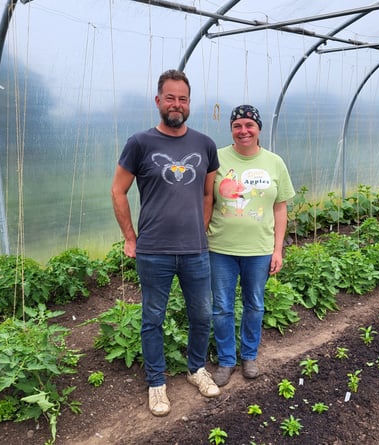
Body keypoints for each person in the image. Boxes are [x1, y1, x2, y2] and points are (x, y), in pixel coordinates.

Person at [111, 69, 221, 417]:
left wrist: (199, 230)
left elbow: (208, 194)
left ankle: (195, 369)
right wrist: (130, 237)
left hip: (195, 251)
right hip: (153, 250)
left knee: (202, 314)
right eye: (170, 97)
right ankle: (156, 384)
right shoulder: (140, 143)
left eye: (183, 98)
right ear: (158, 101)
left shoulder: (204, 144)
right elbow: (118, 190)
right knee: (152, 318)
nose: (177, 104)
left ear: (190, 103)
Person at [207, 104, 295, 386]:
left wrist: (277, 248)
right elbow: (206, 200)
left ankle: (249, 355)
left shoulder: (274, 162)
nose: (243, 131)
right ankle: (226, 360)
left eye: (249, 125)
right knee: (221, 306)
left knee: (254, 304)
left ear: (258, 129)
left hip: (259, 249)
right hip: (220, 248)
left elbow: (280, 209)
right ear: (231, 129)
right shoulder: (217, 158)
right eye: (237, 126)